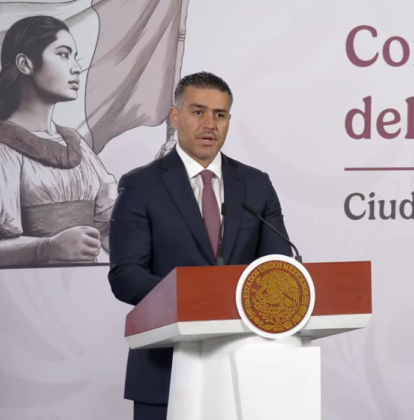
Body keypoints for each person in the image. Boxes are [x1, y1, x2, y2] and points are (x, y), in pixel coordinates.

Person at [108, 71, 294, 420]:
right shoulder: (140, 186)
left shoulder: (256, 185)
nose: (210, 124)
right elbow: (125, 275)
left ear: (229, 121)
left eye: (219, 115)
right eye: (198, 112)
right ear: (175, 116)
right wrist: (195, 297)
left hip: (247, 370)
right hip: (165, 370)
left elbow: (277, 269)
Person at [0, 15, 116, 268]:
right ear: (25, 64)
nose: (76, 68)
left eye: (75, 56)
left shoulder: (75, 143)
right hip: (29, 288)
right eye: (64, 54)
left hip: (88, 285)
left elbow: (107, 230)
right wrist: (47, 248)